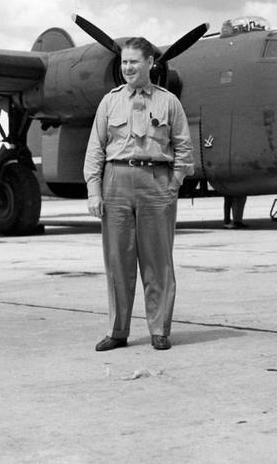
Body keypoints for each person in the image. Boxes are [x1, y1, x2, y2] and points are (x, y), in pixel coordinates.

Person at [83, 37, 194, 352]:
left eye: (133, 61)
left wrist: (173, 183)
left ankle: (159, 329)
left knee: (158, 262)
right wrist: (94, 191)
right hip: (116, 181)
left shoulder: (169, 102)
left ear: (149, 63)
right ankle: (117, 331)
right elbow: (95, 149)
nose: (127, 68)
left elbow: (184, 146)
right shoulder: (109, 102)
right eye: (124, 62)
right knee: (117, 261)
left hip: (156, 183)